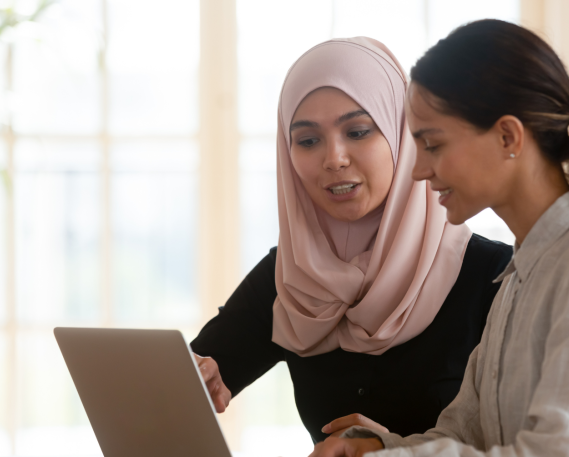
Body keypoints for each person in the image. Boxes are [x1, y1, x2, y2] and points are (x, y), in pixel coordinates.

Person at [311, 20, 569, 457]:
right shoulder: (519, 276)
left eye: (432, 144)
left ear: (508, 136)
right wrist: (378, 448)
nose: (418, 170)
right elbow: (467, 435)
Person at [190, 37, 513, 444]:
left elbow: (527, 443)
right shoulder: (290, 275)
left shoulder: (497, 277)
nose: (334, 158)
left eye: (358, 131)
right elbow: (195, 372)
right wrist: (195, 375)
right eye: (308, 140)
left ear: (404, 136)